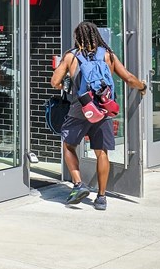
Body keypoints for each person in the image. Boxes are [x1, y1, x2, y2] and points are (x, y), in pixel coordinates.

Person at [51, 21, 146, 210]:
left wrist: (67, 86)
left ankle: (78, 184)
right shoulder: (108, 55)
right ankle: (101, 198)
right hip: (103, 110)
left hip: (80, 109)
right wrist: (142, 87)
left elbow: (54, 82)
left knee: (69, 146)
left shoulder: (71, 56)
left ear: (78, 37)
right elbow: (128, 78)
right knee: (101, 152)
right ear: (97, 36)